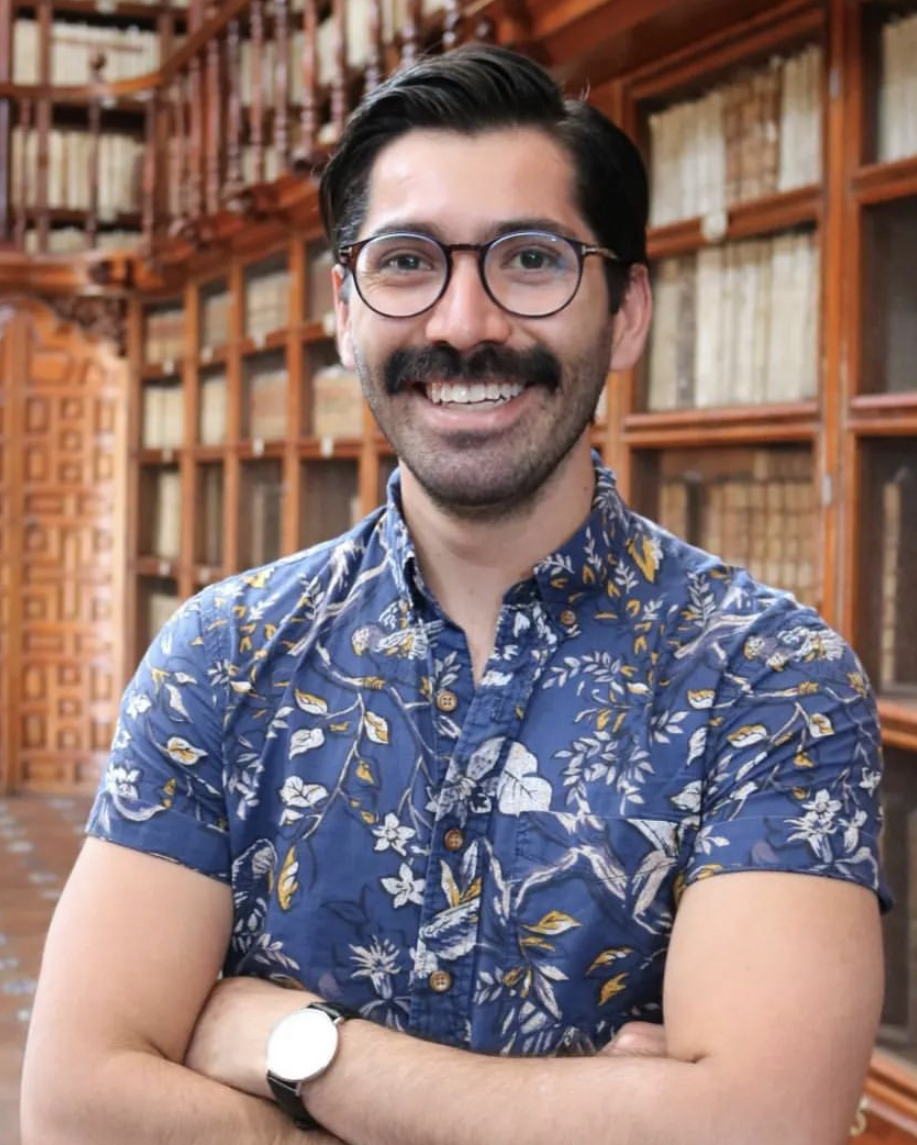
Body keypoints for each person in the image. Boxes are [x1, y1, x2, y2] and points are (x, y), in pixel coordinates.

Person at [22, 43, 887, 1145]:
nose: (463, 323)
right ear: (345, 310)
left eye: (529, 259)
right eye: (405, 262)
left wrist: (296, 1046)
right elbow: (75, 1109)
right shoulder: (220, 656)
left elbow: (759, 1127)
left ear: (624, 312)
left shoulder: (769, 679)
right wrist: (614, 1114)